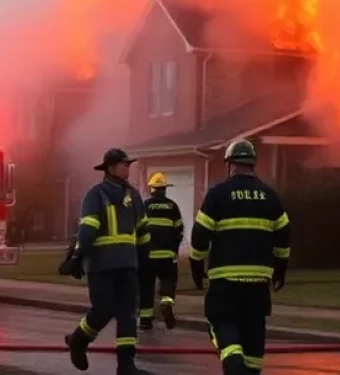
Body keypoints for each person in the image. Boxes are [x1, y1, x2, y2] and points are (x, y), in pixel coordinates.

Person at [189, 139, 291, 375]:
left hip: (225, 281)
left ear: (229, 164)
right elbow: (283, 237)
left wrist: (196, 267)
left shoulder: (218, 194)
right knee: (253, 331)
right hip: (258, 283)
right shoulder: (270, 196)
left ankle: (234, 364)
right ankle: (250, 369)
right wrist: (281, 270)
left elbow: (200, 235)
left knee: (222, 322)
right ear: (253, 163)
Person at [64, 148, 152, 375]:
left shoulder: (134, 196)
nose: (128, 169)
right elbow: (88, 230)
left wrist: (146, 260)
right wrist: (78, 256)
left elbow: (142, 232)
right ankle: (78, 339)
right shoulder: (96, 195)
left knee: (128, 314)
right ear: (111, 168)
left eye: (129, 165)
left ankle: (126, 366)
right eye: (124, 165)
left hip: (127, 265)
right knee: (103, 309)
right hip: (102, 264)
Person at [139, 171, 185, 331]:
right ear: (164, 189)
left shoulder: (144, 206)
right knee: (169, 279)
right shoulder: (172, 206)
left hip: (148, 255)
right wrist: (175, 248)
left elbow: (138, 230)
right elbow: (179, 229)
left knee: (146, 287)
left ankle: (145, 320)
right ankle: (166, 302)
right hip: (167, 254)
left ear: (152, 189)